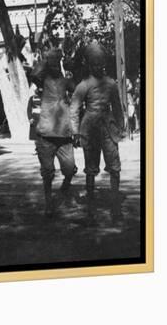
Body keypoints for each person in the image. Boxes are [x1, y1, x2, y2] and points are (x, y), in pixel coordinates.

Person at [69, 42, 125, 223]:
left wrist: (121, 127)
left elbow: (117, 107)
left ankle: (116, 210)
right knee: (91, 170)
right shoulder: (83, 85)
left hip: (108, 129)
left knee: (115, 168)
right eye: (95, 63)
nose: (99, 66)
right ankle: (90, 212)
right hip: (90, 129)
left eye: (101, 63)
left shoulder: (111, 84)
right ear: (89, 65)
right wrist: (75, 132)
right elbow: (74, 109)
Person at [30, 48, 77, 217]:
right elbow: (34, 74)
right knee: (48, 171)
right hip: (46, 134)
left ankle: (66, 184)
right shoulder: (43, 81)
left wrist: (69, 65)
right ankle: (49, 202)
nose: (55, 65)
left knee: (70, 168)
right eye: (53, 62)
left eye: (58, 62)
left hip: (64, 134)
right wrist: (46, 60)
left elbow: (78, 89)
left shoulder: (65, 81)